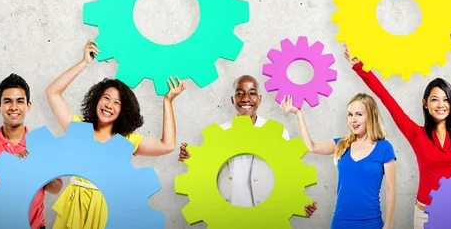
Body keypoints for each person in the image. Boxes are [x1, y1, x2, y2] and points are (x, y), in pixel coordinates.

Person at [344, 29, 451, 229]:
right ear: (425, 103)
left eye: (446, 99)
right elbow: (387, 99)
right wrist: (360, 67)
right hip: (425, 215)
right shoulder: (417, 134)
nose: (440, 104)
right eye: (435, 99)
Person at [46, 40, 185, 229]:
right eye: (106, 98)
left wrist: (168, 101)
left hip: (107, 209)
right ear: (96, 100)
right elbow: (53, 93)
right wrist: (84, 62)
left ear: (123, 111)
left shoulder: (127, 140)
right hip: (74, 207)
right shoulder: (78, 129)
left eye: (117, 103)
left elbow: (167, 145)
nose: (109, 105)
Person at [178, 74, 317, 217]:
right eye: (239, 94)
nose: (245, 99)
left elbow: (289, 174)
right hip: (228, 213)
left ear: (260, 99)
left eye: (252, 93)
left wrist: (298, 204)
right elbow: (205, 171)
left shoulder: (277, 133)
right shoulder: (220, 133)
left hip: (267, 213)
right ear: (232, 99)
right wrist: (191, 157)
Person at [281, 93, 396, 229]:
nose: (353, 119)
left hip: (371, 223)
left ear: (370, 116)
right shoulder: (342, 144)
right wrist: (298, 114)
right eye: (350, 114)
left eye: (359, 114)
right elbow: (311, 147)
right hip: (340, 222)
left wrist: (388, 225)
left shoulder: (384, 148)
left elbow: (391, 190)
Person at [0, 73, 63, 229]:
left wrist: (37, 167)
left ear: (28, 106)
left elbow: (56, 188)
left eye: (20, 101)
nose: (14, 107)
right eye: (8, 101)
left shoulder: (42, 144)